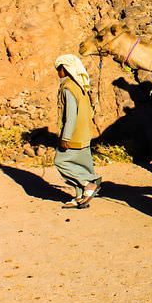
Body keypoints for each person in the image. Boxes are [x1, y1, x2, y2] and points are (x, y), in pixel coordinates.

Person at [54, 54, 101, 209]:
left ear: (65, 69)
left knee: (61, 162)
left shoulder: (68, 87)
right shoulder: (81, 86)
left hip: (74, 134)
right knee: (80, 165)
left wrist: (65, 136)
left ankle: (88, 184)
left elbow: (70, 115)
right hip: (85, 133)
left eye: (58, 68)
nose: (57, 72)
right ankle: (80, 197)